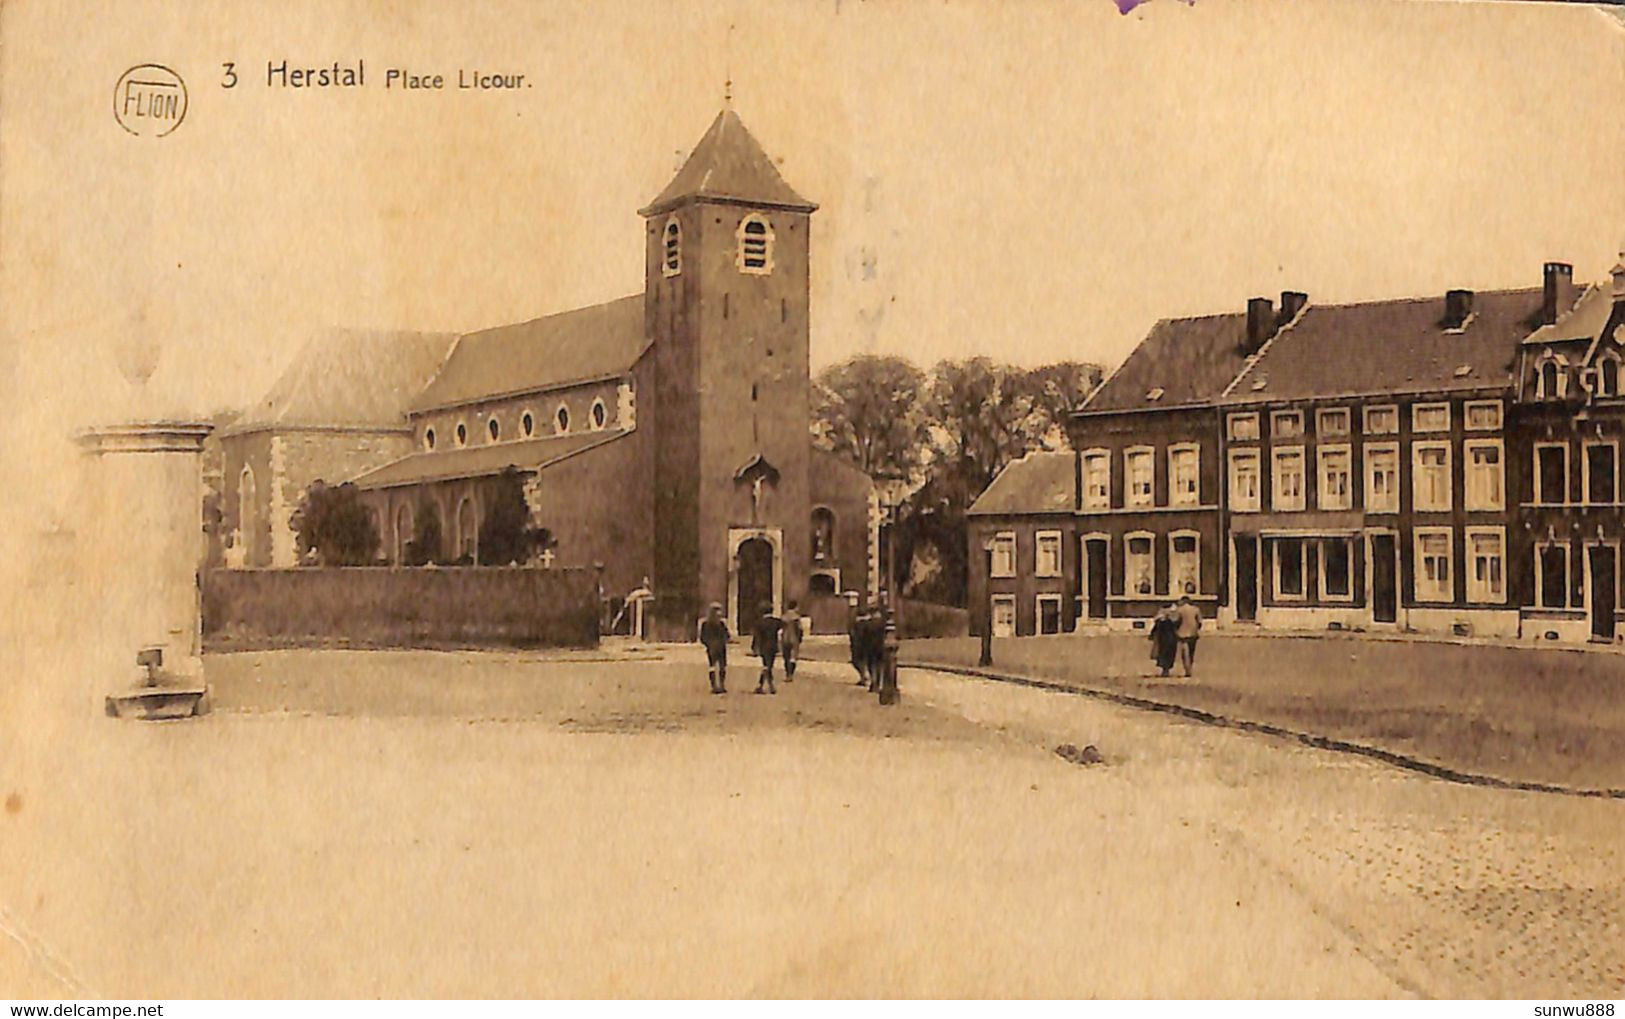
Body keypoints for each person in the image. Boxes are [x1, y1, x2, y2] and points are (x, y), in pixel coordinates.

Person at [751, 601, 783, 695]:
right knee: (769, 666)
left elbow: (756, 637)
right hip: (773, 646)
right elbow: (783, 631)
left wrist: (754, 647)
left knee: (766, 666)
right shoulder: (777, 622)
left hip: (763, 647)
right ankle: (769, 686)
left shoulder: (759, 623)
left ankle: (763, 685)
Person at [698, 602, 730, 694]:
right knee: (715, 666)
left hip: (717, 647)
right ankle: (717, 685)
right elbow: (703, 637)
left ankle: (719, 685)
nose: (719, 613)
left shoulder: (718, 624)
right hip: (717, 647)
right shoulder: (715, 624)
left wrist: (708, 643)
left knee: (719, 667)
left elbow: (703, 637)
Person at [1148, 603, 1179, 677]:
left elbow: (1155, 628)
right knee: (1169, 654)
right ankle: (1166, 669)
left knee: (1163, 654)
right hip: (1171, 638)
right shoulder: (1174, 618)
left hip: (1163, 639)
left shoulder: (1160, 619)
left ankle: (1165, 669)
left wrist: (1152, 635)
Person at [1175, 594, 1202, 677]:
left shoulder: (1179, 610)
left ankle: (1187, 669)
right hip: (1193, 633)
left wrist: (1176, 630)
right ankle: (1190, 666)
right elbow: (1200, 622)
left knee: (1184, 653)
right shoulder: (1196, 609)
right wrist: (1197, 628)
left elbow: (1176, 621)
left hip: (1182, 633)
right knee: (1191, 652)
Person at [780, 599, 804, 681]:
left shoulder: (783, 617)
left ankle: (787, 673)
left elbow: (780, 628)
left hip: (785, 638)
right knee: (793, 657)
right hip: (794, 638)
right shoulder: (796, 618)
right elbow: (800, 629)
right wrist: (800, 638)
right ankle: (791, 674)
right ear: (795, 607)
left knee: (786, 657)